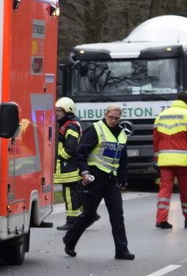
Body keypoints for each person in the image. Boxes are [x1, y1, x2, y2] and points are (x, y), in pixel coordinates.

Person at [62, 104, 135, 260]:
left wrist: (123, 178)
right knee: (88, 215)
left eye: (116, 118)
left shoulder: (122, 134)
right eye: (111, 117)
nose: (113, 121)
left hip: (111, 180)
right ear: (106, 115)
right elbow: (81, 152)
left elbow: (123, 159)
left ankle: (122, 250)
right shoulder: (96, 129)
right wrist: (84, 172)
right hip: (95, 178)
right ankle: (69, 241)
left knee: (117, 215)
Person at [152, 91, 187, 229]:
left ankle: (161, 219)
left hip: (165, 160)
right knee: (184, 190)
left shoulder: (161, 115)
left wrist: (157, 156)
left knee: (165, 190)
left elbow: (156, 139)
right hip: (183, 160)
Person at [54, 97, 84, 230]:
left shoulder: (71, 126)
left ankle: (71, 221)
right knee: (76, 193)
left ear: (68, 111)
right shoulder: (69, 124)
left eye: (59, 111)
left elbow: (71, 148)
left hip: (69, 167)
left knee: (69, 194)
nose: (56, 113)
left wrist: (60, 158)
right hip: (70, 166)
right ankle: (88, 214)